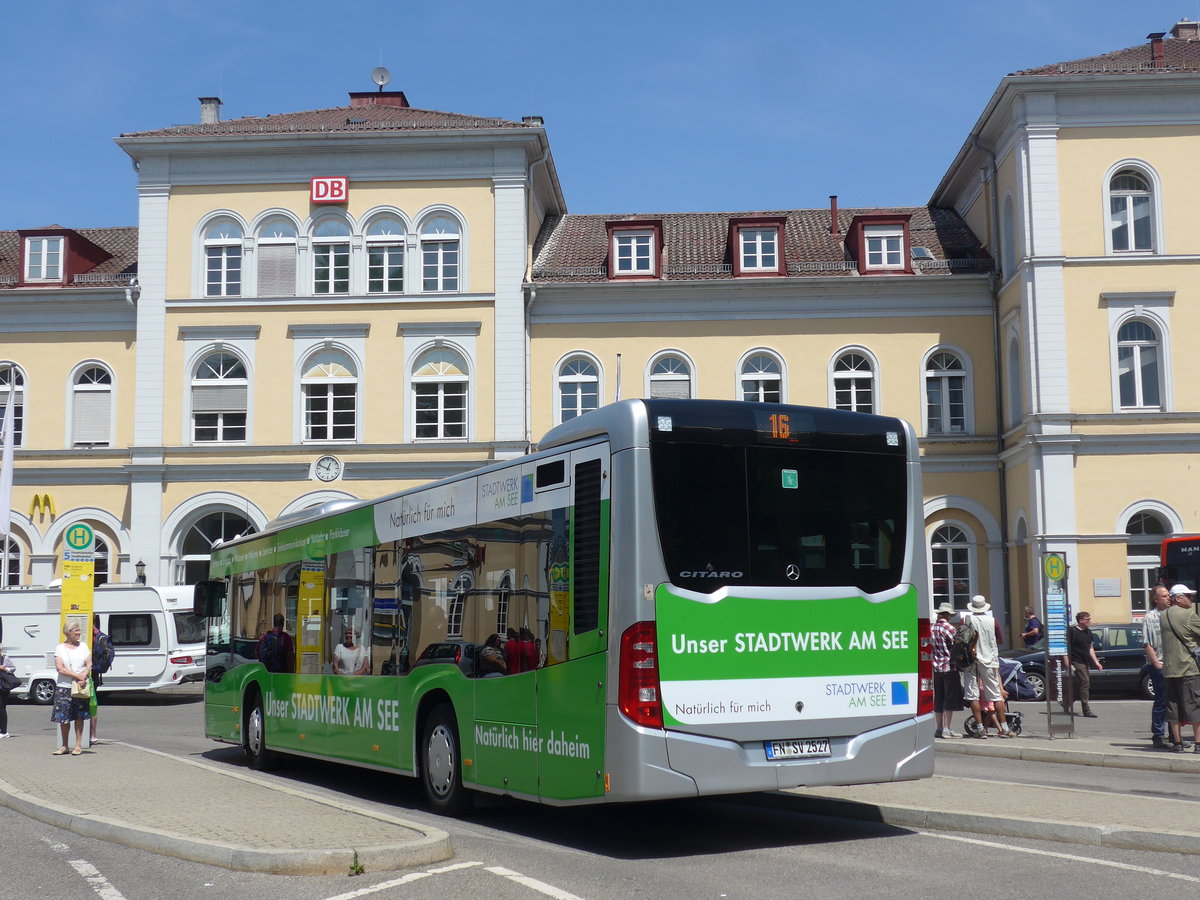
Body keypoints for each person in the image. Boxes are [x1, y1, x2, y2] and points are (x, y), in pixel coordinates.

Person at [959, 595, 1014, 738]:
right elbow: (1000, 640)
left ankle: (980, 729)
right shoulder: (993, 621)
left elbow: (960, 640)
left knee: (973, 695)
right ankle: (1004, 728)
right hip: (989, 660)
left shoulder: (966, 620)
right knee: (995, 695)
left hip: (971, 661)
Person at [1160, 584, 1200, 752]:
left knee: (1173, 707)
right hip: (1188, 668)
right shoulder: (1190, 615)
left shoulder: (1163, 615)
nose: (1191, 599)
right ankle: (1198, 744)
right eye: (1187, 596)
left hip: (1169, 669)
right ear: (1178, 598)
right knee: (1194, 705)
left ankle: (1177, 743)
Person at [52, 621, 92, 755]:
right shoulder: (60, 648)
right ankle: (64, 745)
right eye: (76, 630)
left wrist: (83, 676)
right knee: (64, 718)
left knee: (79, 717)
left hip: (80, 687)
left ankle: (78, 745)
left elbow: (89, 664)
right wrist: (77, 676)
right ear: (68, 632)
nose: (79, 633)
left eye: (79, 630)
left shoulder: (84, 647)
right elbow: (60, 668)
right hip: (64, 687)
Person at [1142, 584, 1172, 748]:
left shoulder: (1171, 615)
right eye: (1164, 596)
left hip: (1173, 663)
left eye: (1168, 595)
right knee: (1161, 700)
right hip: (1159, 664)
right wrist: (1157, 665)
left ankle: (1175, 735)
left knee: (1174, 701)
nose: (1168, 598)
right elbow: (1147, 644)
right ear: (1155, 599)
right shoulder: (1150, 617)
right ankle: (1158, 735)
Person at [930, 602, 961, 738]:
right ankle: (947, 728)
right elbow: (957, 645)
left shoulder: (932, 628)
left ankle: (939, 727)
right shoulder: (949, 628)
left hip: (936, 667)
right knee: (950, 698)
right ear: (947, 615)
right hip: (950, 666)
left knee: (939, 697)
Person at [1066, 611, 1102, 718]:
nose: (1090, 621)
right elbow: (1066, 648)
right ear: (1081, 621)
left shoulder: (1089, 632)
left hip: (1085, 662)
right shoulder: (1072, 631)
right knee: (1085, 683)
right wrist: (1067, 662)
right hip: (1076, 662)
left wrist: (1096, 662)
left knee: (1081, 685)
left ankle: (1066, 703)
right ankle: (1086, 710)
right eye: (1088, 619)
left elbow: (1090, 648)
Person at [89, 614, 114, 745]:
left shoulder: (87, 636)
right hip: (96, 673)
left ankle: (83, 735)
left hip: (87, 673)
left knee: (85, 704)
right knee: (93, 704)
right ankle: (92, 735)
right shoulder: (100, 635)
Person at [0, 645, 15, 738]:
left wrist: (4, 669)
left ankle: (4, 732)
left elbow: (13, 668)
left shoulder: (5, 658)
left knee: (1, 708)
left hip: (3, 687)